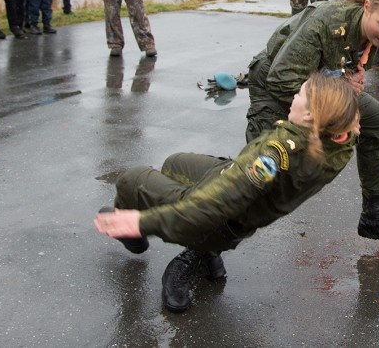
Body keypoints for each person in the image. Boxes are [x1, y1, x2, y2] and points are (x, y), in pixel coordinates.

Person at [95, 73, 361, 313]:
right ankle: (201, 251)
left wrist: (141, 222)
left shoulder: (275, 155)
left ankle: (139, 239)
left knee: (131, 180)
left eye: (300, 94)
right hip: (233, 181)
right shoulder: (341, 140)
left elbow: (212, 207)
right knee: (174, 163)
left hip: (221, 220)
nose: (294, 96)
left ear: (310, 116)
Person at [244, 0, 379, 246]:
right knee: (261, 180)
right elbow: (282, 78)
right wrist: (339, 113)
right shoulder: (327, 22)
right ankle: (201, 249)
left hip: (325, 85)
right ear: (367, 7)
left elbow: (343, 66)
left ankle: (374, 215)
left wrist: (351, 78)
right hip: (277, 87)